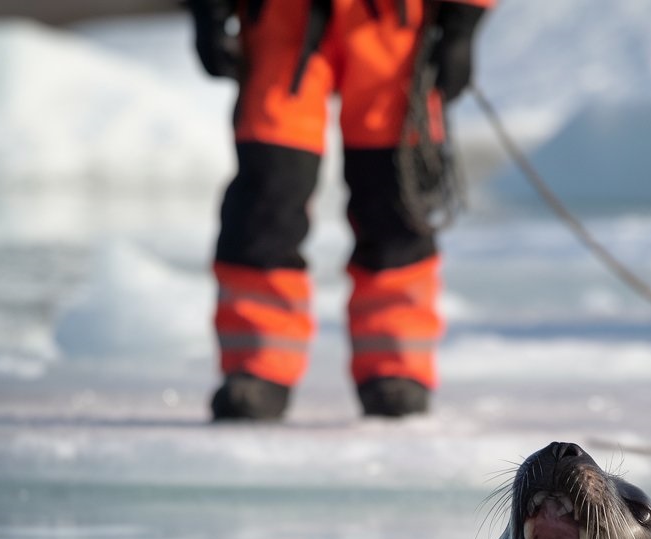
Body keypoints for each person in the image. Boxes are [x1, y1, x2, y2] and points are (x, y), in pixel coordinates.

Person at [186, 0, 492, 420]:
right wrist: (209, 10)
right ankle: (257, 367)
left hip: (394, 26)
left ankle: (396, 367)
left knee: (395, 204)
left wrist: (463, 20)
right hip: (278, 21)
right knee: (266, 198)